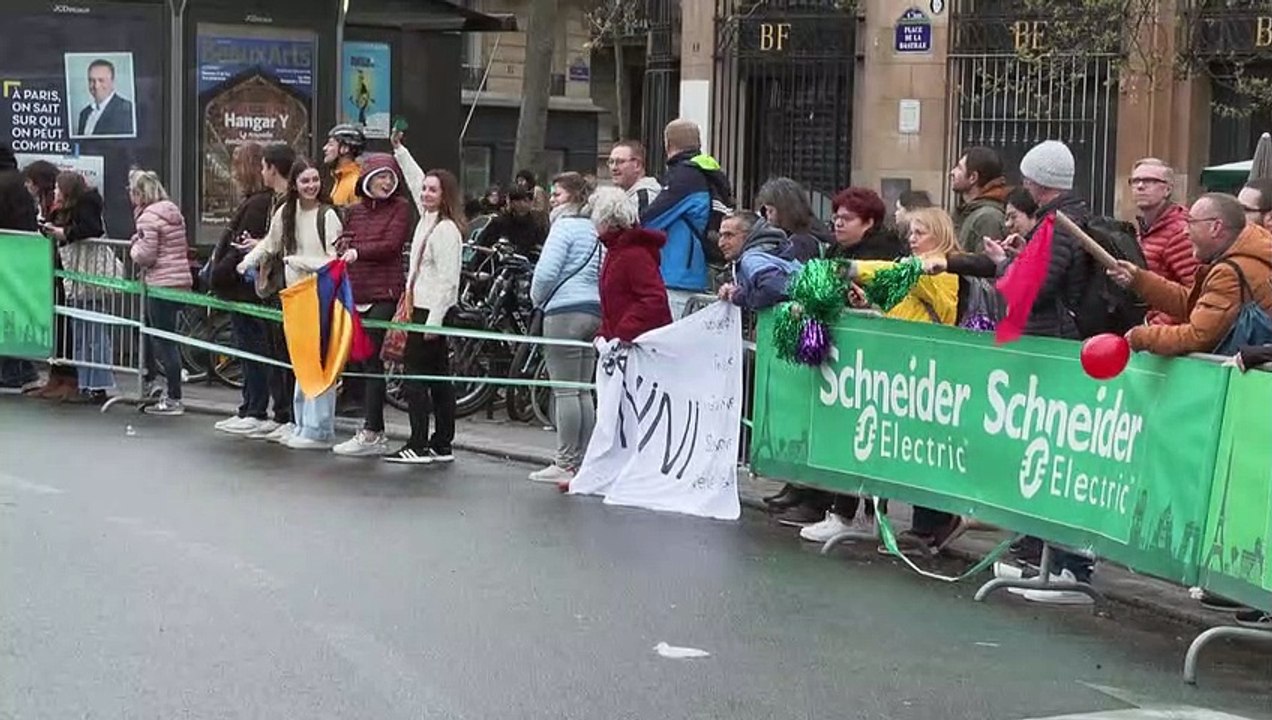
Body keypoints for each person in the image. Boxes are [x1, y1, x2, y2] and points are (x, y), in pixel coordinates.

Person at [766, 186, 907, 528]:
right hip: (836, 355)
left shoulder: (882, 255)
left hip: (874, 359)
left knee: (866, 435)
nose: (838, 224)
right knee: (837, 432)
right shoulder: (834, 251)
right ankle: (833, 505)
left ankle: (866, 515)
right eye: (836, 217)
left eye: (846, 219)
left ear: (869, 222)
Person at [238, 158, 342, 449]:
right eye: (305, 181)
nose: (311, 186)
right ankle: (301, 423)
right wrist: (246, 263)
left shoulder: (328, 216)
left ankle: (319, 429)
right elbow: (270, 244)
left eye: (314, 180)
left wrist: (298, 261)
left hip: (321, 295)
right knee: (301, 362)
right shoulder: (286, 212)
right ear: (295, 184)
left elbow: (334, 261)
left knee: (318, 363)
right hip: (295, 297)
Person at [1109, 193, 1272, 356]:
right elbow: (1194, 305)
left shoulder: (1229, 272)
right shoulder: (1252, 253)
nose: (1185, 231)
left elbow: (1199, 336)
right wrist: (1138, 279)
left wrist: (1142, 337)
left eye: (1191, 222)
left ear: (1215, 227)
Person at [329, 150, 412, 457]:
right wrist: (343, 247)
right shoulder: (355, 211)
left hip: (384, 293)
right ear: (367, 180)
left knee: (373, 357)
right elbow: (346, 238)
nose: (385, 183)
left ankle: (373, 429)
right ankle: (371, 426)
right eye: (380, 178)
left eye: (390, 178)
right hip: (356, 291)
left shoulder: (400, 208)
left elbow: (391, 245)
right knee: (363, 359)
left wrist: (358, 252)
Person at [384, 144, 464, 465]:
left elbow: (449, 281)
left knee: (416, 376)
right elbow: (416, 177)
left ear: (445, 196)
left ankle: (418, 444)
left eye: (433, 190)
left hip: (431, 311)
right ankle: (441, 443)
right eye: (425, 190)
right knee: (438, 377)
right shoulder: (428, 218)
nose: (426, 194)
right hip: (422, 307)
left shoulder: (446, 230)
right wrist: (401, 151)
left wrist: (434, 321)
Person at [527, 172, 602, 485]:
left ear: (571, 197)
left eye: (557, 194)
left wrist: (537, 299)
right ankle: (585, 458)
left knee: (565, 389)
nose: (552, 200)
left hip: (564, 312)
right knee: (584, 389)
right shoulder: (596, 229)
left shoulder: (563, 228)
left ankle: (565, 461)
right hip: (594, 310)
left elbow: (545, 274)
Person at [208, 143, 278, 434]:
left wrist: (219, 274)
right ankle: (249, 406)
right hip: (240, 288)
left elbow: (241, 247)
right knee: (246, 348)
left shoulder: (258, 203)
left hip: (246, 288)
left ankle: (256, 408)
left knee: (253, 349)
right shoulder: (255, 201)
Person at [640, 118, 734, 318]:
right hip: (702, 273)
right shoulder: (708, 171)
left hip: (678, 277)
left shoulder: (684, 177)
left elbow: (649, 220)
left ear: (668, 144)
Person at [41, 171, 112, 403]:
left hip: (87, 274)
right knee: (80, 333)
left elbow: (91, 229)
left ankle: (97, 385)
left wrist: (63, 233)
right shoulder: (68, 206)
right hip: (73, 276)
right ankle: (86, 383)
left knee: (94, 332)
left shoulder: (87, 204)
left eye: (59, 189)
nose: (55, 193)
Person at [128, 170, 192, 415]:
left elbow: (147, 255)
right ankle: (161, 386)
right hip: (180, 280)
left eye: (133, 192)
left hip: (161, 283)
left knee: (164, 342)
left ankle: (173, 397)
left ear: (140, 193)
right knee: (168, 339)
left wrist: (135, 246)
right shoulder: (172, 212)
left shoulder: (147, 217)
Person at [18, 160, 77, 398]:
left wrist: (53, 229)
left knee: (66, 323)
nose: (27, 187)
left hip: (66, 268)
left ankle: (69, 378)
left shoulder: (59, 201)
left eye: (30, 182)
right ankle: (56, 375)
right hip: (52, 266)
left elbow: (73, 228)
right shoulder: (43, 203)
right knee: (55, 323)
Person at [594, 185, 673, 343]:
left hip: (639, 344)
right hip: (626, 341)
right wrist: (605, 333)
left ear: (605, 219)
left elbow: (654, 299)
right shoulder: (617, 250)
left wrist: (622, 332)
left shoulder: (632, 254)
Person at [1129, 158, 1198, 325]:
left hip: (1165, 335)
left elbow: (1196, 294)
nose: (1140, 186)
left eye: (1149, 181)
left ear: (1167, 189)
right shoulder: (1145, 229)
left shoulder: (1179, 232)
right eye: (1135, 181)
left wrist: (1155, 325)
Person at [0, 143, 40, 391]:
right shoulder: (18, 182)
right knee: (13, 314)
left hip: (7, 254)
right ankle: (22, 369)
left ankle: (13, 371)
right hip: (21, 255)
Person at [716, 211, 801, 311]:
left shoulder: (751, 259)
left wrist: (737, 295)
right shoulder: (773, 251)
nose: (721, 243)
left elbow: (775, 288)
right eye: (720, 236)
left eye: (729, 235)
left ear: (749, 235)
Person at [754, 177, 832, 262]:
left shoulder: (801, 243)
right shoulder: (812, 228)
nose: (768, 216)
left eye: (771, 211)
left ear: (785, 210)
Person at [949, 146, 1008, 252]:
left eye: (959, 168)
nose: (952, 172)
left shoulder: (988, 218)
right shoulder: (969, 212)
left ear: (973, 177)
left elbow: (986, 264)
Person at [476, 188, 548, 258]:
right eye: (519, 201)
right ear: (512, 203)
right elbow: (482, 244)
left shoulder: (536, 225)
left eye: (528, 200)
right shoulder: (499, 222)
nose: (524, 204)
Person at [75, 58, 135, 137]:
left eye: (101, 80)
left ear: (113, 82)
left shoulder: (127, 111)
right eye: (91, 80)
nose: (96, 86)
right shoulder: (84, 114)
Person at [608, 140, 662, 215]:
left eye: (620, 162)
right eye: (611, 162)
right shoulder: (627, 196)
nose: (613, 168)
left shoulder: (643, 198)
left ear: (637, 165)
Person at [323, 124, 366, 208]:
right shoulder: (340, 177)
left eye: (331, 144)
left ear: (345, 148)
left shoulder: (355, 183)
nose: (325, 148)